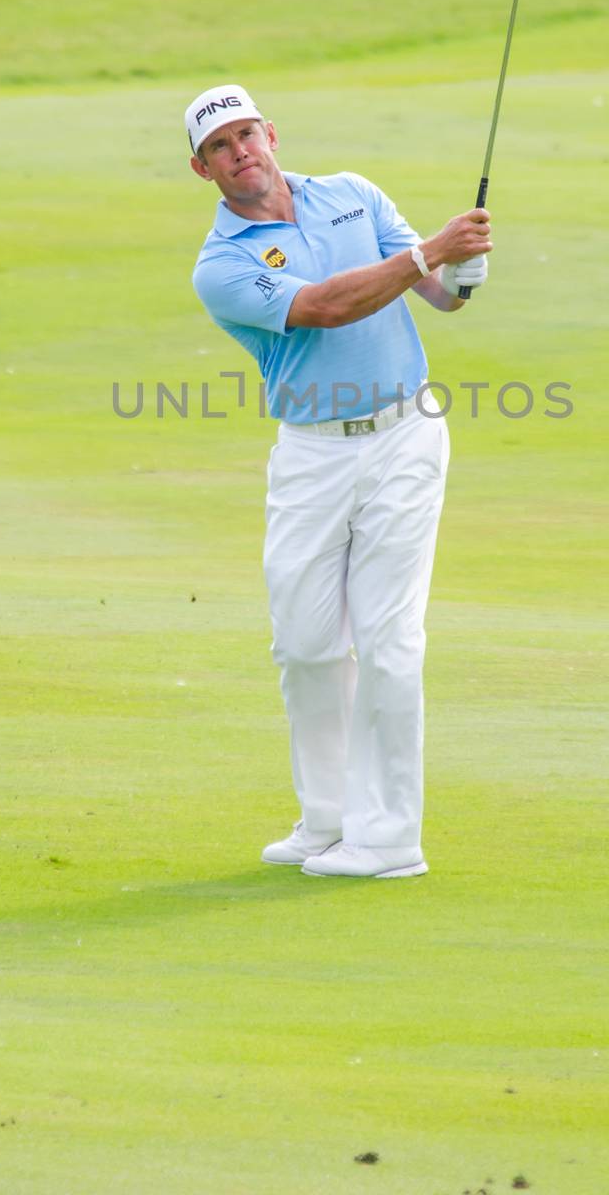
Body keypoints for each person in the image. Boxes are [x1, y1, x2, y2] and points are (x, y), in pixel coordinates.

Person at [187, 84, 490, 879]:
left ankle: (389, 840)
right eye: (220, 146)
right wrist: (429, 252)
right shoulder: (222, 264)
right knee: (306, 643)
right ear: (202, 168)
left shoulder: (353, 196)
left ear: (272, 133)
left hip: (404, 438)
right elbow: (323, 307)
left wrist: (462, 270)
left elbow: (438, 298)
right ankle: (328, 821)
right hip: (312, 454)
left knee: (389, 640)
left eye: (247, 133)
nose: (239, 151)